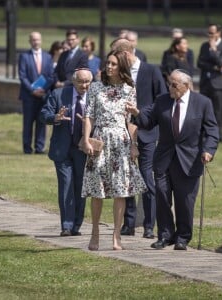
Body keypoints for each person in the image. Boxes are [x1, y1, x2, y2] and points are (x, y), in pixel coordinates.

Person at [126, 69, 219, 250]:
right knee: (162, 196)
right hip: (164, 159)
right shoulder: (162, 101)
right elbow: (147, 123)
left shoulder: (202, 103)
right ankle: (165, 235)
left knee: (185, 201)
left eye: (174, 84)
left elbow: (212, 131)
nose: (170, 87)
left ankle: (183, 237)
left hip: (189, 161)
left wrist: (208, 150)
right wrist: (137, 113)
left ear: (186, 86)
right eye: (169, 83)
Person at [81, 50, 147, 251]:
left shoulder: (129, 89)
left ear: (121, 67)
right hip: (100, 140)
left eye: (113, 64)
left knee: (121, 190)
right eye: (107, 63)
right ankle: (95, 233)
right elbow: (89, 115)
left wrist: (134, 144)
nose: (109, 67)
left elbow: (131, 120)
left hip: (121, 142)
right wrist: (86, 140)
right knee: (97, 190)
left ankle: (116, 235)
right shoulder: (95, 88)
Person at [111, 38, 167, 239]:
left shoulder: (151, 71)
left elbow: (161, 99)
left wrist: (140, 113)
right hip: (121, 134)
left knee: (146, 180)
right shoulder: (118, 73)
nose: (112, 62)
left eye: (116, 57)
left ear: (125, 54)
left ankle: (149, 226)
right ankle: (129, 223)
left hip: (146, 133)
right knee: (126, 180)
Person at [40, 68, 93, 236]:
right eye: (81, 82)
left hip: (82, 148)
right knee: (66, 184)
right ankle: (67, 225)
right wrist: (55, 117)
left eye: (87, 82)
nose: (84, 85)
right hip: (61, 148)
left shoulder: (95, 97)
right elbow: (44, 113)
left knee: (80, 186)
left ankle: (77, 224)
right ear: (73, 81)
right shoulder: (58, 94)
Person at [18, 31, 55, 154]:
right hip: (29, 96)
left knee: (41, 122)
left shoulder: (48, 57)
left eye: (38, 39)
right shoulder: (24, 56)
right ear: (30, 41)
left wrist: (43, 89)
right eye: (33, 40)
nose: (36, 42)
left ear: (41, 40)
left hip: (43, 96)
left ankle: (39, 148)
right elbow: (22, 76)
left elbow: (51, 76)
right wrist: (32, 90)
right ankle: (27, 148)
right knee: (28, 123)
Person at [197, 24, 222, 141]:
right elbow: (199, 63)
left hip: (218, 84)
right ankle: (203, 134)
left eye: (212, 33)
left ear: (218, 33)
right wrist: (213, 67)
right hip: (205, 83)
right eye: (208, 33)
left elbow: (221, 63)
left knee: (217, 111)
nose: (209, 36)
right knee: (203, 110)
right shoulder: (204, 45)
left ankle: (218, 136)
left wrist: (214, 50)